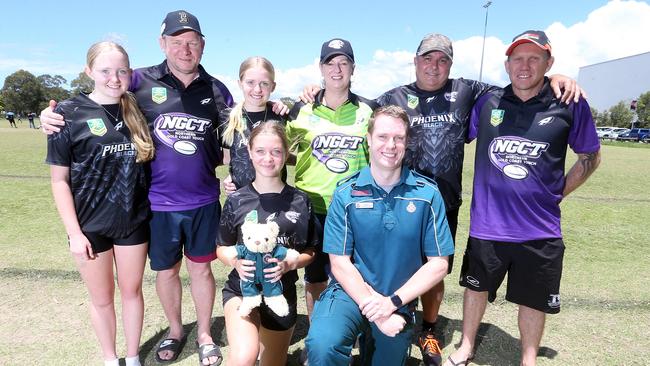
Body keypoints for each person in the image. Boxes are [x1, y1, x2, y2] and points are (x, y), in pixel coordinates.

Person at [300, 33, 583, 366]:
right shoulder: (394, 96)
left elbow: (521, 83)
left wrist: (553, 78)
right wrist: (318, 91)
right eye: (427, 59)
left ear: (450, 64)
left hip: (439, 200)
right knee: (388, 265)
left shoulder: (467, 91)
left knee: (434, 271)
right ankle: (363, 317)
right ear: (415, 60)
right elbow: (360, 110)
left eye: (442, 60)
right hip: (397, 195)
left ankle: (428, 329)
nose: (434, 66)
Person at [41, 10, 233, 366]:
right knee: (166, 272)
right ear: (163, 44)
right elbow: (98, 98)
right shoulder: (138, 80)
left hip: (204, 200)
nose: (185, 49)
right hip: (156, 204)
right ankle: (176, 331)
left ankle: (205, 334)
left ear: (203, 45)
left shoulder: (217, 89)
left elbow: (237, 133)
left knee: (203, 270)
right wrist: (51, 114)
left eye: (192, 42)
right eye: (177, 42)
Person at [444, 30, 601, 366]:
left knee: (533, 300)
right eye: (518, 58)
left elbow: (590, 156)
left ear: (549, 62)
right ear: (507, 64)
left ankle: (528, 358)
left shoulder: (569, 103)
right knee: (475, 289)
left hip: (540, 230)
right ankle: (467, 346)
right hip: (488, 226)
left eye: (534, 58)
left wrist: (558, 193)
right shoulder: (488, 102)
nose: (525, 65)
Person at [305, 105, 454, 365]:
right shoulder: (345, 193)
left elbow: (439, 264)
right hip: (350, 293)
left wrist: (392, 303)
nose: (391, 145)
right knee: (322, 345)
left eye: (398, 138)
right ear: (369, 140)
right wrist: (376, 309)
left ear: (407, 143)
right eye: (383, 137)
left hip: (398, 298)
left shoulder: (427, 194)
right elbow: (339, 262)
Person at [46, 41, 154, 366]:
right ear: (89, 71)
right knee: (102, 299)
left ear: (130, 73)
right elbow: (59, 181)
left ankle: (133, 357)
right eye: (105, 70)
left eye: (121, 70)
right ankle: (110, 358)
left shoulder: (139, 109)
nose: (114, 77)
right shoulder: (67, 113)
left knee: (132, 292)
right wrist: (74, 234)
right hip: (89, 227)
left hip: (133, 222)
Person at [285, 38, 378, 361]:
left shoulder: (368, 110)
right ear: (320, 67)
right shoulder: (302, 109)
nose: (336, 69)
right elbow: (274, 150)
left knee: (359, 276)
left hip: (356, 211)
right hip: (313, 208)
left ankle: (357, 334)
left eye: (343, 63)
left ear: (353, 67)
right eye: (330, 63)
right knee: (316, 277)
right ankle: (318, 336)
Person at [217, 121, 317, 366]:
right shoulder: (236, 200)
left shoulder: (300, 201)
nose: (268, 158)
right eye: (260, 151)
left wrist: (291, 263)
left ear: (285, 154)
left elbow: (310, 251)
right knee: (244, 357)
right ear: (250, 152)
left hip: (282, 294)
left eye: (276, 151)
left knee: (272, 362)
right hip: (241, 291)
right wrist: (234, 261)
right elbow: (221, 247)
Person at [220, 56, 288, 190]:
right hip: (241, 200)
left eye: (264, 83)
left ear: (273, 86)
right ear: (240, 83)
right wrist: (230, 175)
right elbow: (229, 157)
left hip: (277, 198)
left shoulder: (280, 115)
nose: (257, 89)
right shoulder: (228, 117)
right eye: (250, 82)